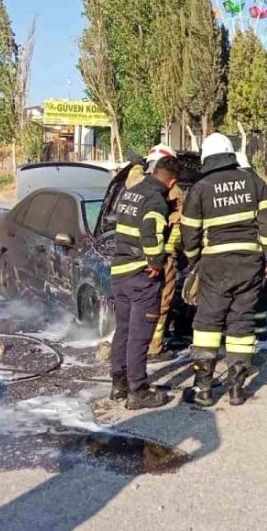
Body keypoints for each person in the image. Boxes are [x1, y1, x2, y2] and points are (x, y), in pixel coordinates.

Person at [181, 133, 267, 407]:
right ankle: (236, 388)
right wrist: (266, 257)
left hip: (215, 264)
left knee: (208, 322)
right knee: (242, 322)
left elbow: (189, 231)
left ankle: (203, 390)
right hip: (250, 263)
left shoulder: (201, 187)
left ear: (207, 158)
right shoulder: (253, 182)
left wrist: (194, 260)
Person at [107, 154, 181, 410]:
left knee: (124, 329)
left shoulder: (133, 190)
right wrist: (156, 262)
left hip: (121, 270)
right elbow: (150, 232)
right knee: (140, 335)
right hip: (141, 275)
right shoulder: (156, 200)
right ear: (171, 183)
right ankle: (138, 390)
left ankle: (119, 384)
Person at [235, 150, 267, 344]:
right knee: (261, 291)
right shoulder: (261, 186)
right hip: (262, 251)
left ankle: (244, 335)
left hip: (249, 252)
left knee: (243, 296)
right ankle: (260, 331)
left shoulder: (242, 186)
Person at [144, 144, 184, 363]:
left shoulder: (136, 185)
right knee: (162, 302)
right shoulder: (173, 191)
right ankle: (154, 346)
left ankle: (143, 342)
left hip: (141, 255)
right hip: (163, 256)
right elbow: (178, 226)